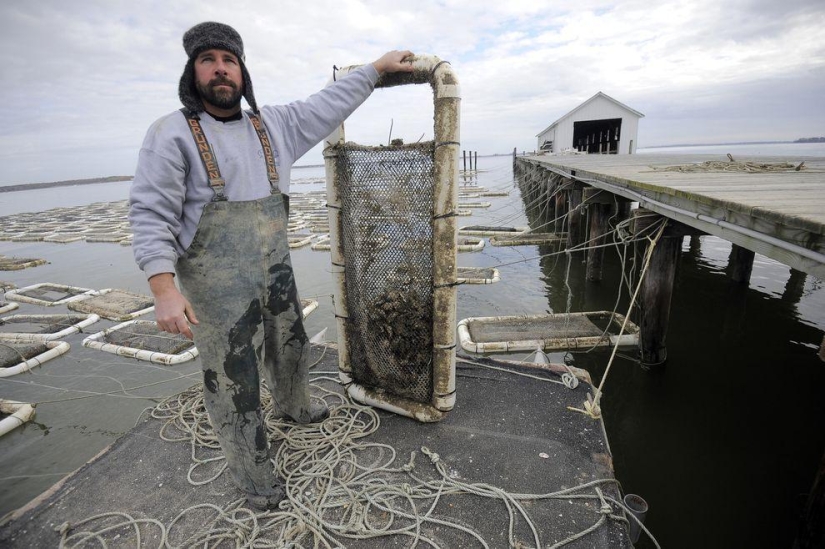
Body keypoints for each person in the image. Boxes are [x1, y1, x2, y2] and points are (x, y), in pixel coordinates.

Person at [128, 21, 413, 510]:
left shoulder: (273, 126)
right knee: (232, 379)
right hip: (216, 287)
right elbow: (150, 213)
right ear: (191, 71)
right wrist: (163, 289)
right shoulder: (170, 134)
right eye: (208, 60)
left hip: (274, 270)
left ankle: (295, 407)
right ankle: (254, 478)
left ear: (242, 71)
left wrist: (375, 70)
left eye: (229, 60)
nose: (220, 69)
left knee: (291, 342)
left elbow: (327, 104)